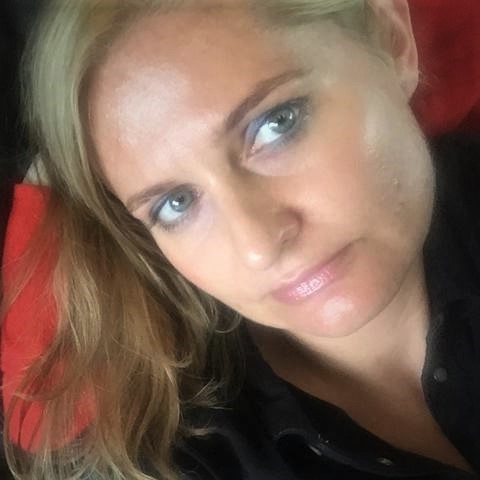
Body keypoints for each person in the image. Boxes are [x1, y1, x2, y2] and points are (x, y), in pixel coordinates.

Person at [3, 0, 480, 478]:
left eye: (277, 124)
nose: (258, 246)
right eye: (176, 203)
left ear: (391, 40)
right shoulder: (186, 462)